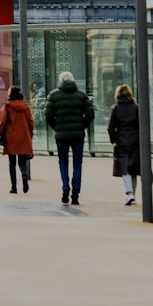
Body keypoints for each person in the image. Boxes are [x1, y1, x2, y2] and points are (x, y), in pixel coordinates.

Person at [45, 70, 94, 206]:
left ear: (60, 81)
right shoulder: (81, 96)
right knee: (77, 164)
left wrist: (57, 127)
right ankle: (75, 195)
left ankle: (65, 187)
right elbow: (90, 114)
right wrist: (82, 126)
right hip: (78, 135)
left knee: (63, 162)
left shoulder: (54, 95)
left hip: (61, 135)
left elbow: (48, 115)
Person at [107, 83, 140, 206]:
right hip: (135, 140)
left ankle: (129, 193)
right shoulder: (136, 107)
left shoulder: (115, 108)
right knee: (134, 168)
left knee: (125, 168)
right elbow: (140, 124)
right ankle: (133, 195)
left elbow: (111, 127)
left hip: (121, 140)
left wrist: (113, 139)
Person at [0, 85, 35, 194]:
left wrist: (1, 134)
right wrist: (29, 135)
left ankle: (14, 187)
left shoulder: (7, 106)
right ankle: (24, 174)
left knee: (12, 163)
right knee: (22, 162)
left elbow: (3, 122)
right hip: (24, 136)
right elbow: (31, 122)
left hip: (11, 137)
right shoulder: (25, 106)